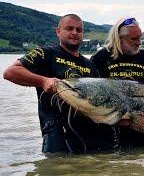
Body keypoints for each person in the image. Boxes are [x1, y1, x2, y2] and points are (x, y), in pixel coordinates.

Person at [3, 14, 115, 153]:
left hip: (90, 134)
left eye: (79, 30)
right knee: (55, 167)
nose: (74, 33)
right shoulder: (45, 53)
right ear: (58, 31)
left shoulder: (90, 65)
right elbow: (10, 72)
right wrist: (43, 81)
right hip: (56, 131)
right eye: (69, 28)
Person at [90, 17, 144, 147]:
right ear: (119, 39)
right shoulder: (100, 58)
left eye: (140, 37)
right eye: (134, 39)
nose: (139, 43)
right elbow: (93, 96)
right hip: (111, 129)